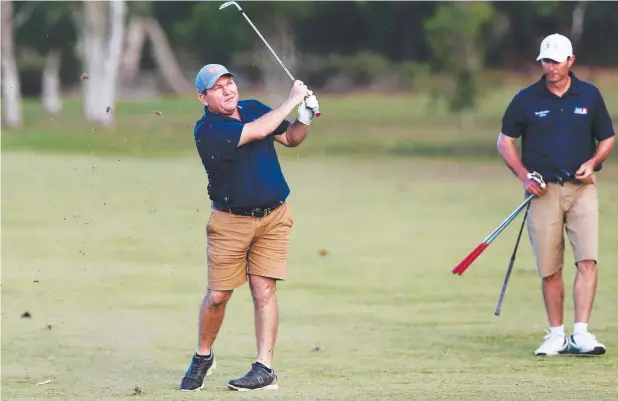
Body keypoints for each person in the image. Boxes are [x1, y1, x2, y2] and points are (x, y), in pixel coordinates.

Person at [179, 64, 320, 391]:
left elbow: (290, 137)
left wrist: (306, 116)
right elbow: (257, 132)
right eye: (218, 88)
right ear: (204, 97)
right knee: (217, 296)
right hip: (230, 222)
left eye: (230, 83)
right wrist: (292, 100)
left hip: (274, 216)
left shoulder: (254, 108)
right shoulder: (208, 130)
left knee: (264, 289)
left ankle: (264, 369)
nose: (228, 91)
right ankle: (203, 356)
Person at [497, 33, 615, 357]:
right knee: (550, 268)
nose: (550, 67)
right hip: (543, 192)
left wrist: (594, 162)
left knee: (587, 260)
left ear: (570, 61)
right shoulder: (526, 99)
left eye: (556, 61)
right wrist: (524, 176)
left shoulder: (589, 96)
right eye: (545, 61)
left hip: (581, 190)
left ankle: (581, 334)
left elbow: (607, 138)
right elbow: (504, 142)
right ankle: (556, 335)